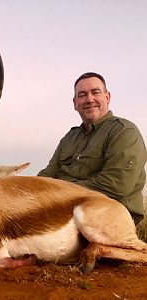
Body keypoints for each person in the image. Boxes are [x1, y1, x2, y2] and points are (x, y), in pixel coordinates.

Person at [37, 72, 147, 225]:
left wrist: (56, 193)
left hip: (107, 217)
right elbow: (46, 176)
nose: (89, 99)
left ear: (107, 97)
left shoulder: (124, 131)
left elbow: (115, 186)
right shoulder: (69, 138)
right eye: (82, 95)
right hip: (64, 214)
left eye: (95, 92)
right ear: (75, 103)